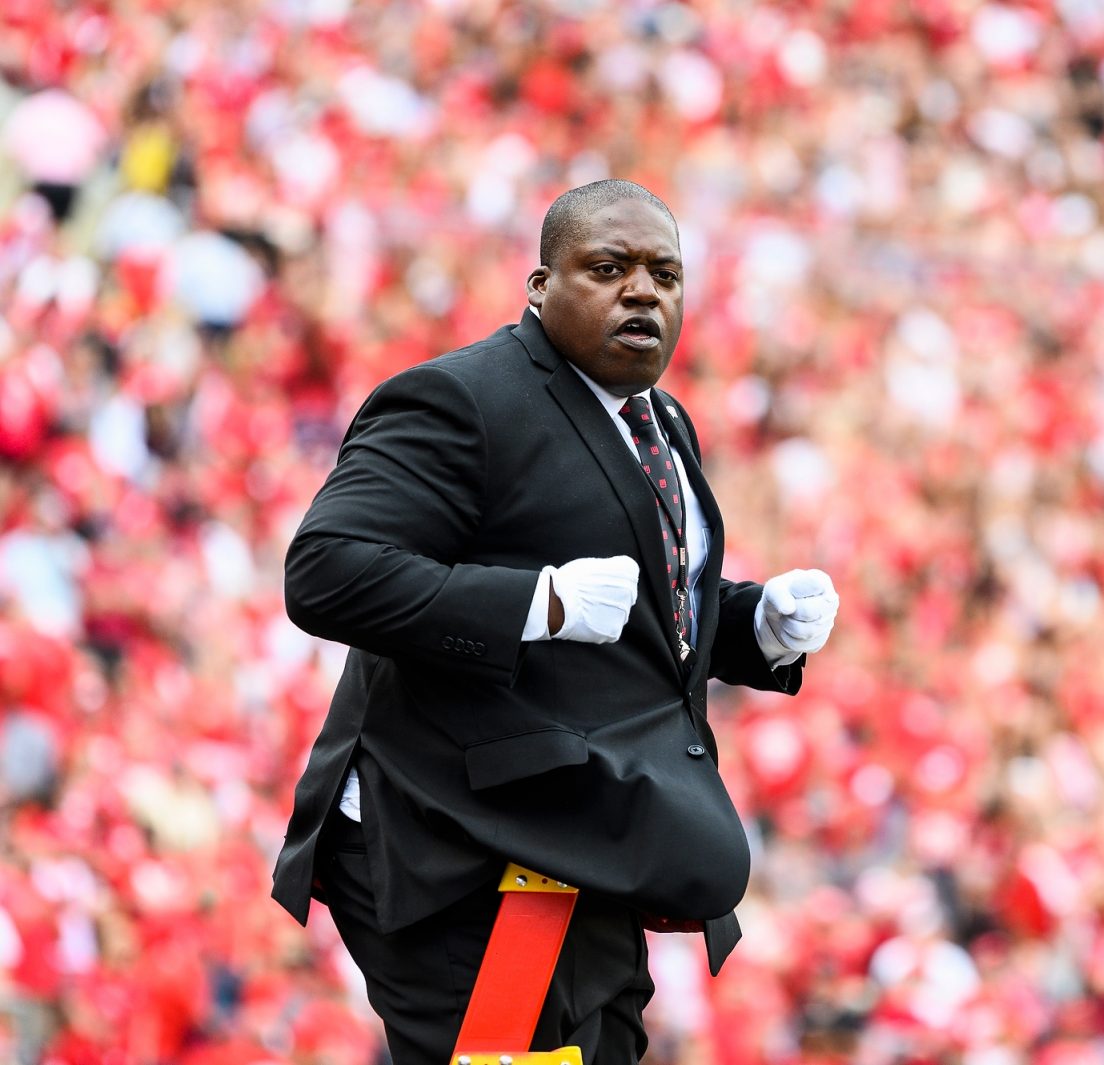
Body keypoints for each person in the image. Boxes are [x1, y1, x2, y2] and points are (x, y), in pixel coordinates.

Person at [270, 180, 839, 1065]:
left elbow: (639, 616)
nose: (642, 291)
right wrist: (537, 601)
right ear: (539, 286)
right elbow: (325, 571)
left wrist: (752, 623)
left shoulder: (659, 418)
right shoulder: (461, 399)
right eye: (609, 269)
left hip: (583, 842)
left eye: (664, 273)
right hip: (466, 853)